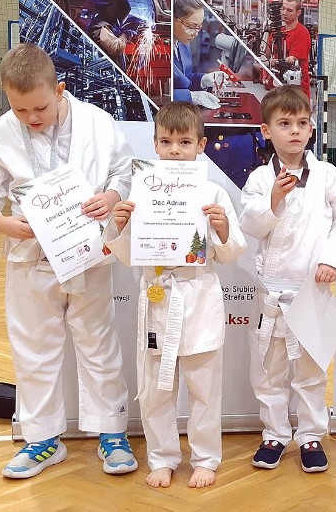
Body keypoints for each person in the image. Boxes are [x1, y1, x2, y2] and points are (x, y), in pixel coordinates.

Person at [0, 43, 137, 479]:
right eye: (20, 109)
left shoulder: (97, 122)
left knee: (98, 342)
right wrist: (3, 223)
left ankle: (112, 432)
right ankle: (43, 439)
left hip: (87, 253)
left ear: (59, 89)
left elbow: (123, 170)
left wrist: (112, 195)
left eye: (40, 107)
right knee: (34, 348)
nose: (31, 117)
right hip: (31, 257)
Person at [105, 102, 245, 489]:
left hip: (198, 296)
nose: (175, 150)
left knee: (204, 389)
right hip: (158, 298)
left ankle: (205, 458)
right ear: (154, 144)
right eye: (166, 142)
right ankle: (163, 457)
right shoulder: (141, 191)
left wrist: (222, 228)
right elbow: (128, 255)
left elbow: (232, 252)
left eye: (184, 142)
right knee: (156, 390)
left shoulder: (213, 192)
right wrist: (120, 225)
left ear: (201, 145)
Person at [239, 85, 336, 473]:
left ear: (311, 129)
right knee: (269, 370)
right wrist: (273, 200)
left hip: (312, 287)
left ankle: (310, 435)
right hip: (272, 291)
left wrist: (332, 260)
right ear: (266, 131)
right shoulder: (261, 179)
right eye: (284, 123)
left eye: (302, 123)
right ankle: (274, 434)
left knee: (311, 370)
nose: (294, 130)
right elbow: (250, 225)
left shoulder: (327, 176)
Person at [173, 0, 226, 109]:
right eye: (191, 26)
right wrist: (190, 97)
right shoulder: (161, 51)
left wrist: (203, 80)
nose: (196, 33)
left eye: (199, 27)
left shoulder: (183, 46)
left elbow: (184, 80)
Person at [273, 0, 312, 98]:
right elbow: (266, 54)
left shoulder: (302, 33)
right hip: (278, 86)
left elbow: (291, 61)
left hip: (297, 91)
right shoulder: (277, 32)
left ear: (298, 13)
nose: (284, 13)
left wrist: (273, 62)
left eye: (289, 10)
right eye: (283, 9)